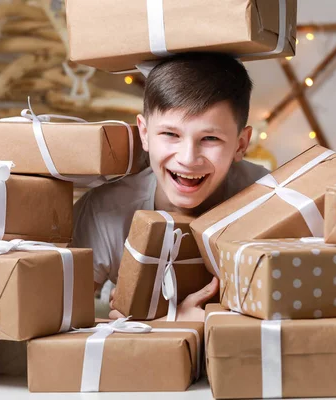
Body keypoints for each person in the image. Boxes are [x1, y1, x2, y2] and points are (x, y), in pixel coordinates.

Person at [72, 52, 269, 321]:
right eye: (170, 134)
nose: (188, 158)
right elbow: (61, 324)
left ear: (241, 144)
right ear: (144, 133)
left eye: (210, 138)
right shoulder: (107, 210)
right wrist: (154, 325)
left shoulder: (267, 200)